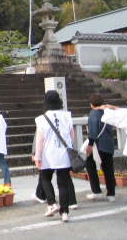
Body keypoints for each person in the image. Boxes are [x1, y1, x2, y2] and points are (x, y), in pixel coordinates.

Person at [34, 90, 74, 222]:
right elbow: (71, 136)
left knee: (45, 178)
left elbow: (40, 140)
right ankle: (65, 212)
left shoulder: (42, 119)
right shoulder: (67, 116)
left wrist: (37, 156)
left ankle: (52, 204)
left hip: (48, 154)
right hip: (64, 154)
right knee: (63, 183)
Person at [85, 93, 116, 202]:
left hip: (98, 145)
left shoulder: (93, 113)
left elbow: (93, 130)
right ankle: (111, 193)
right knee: (108, 169)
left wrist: (90, 144)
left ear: (91, 104)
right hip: (109, 143)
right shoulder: (107, 112)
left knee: (90, 164)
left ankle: (97, 191)